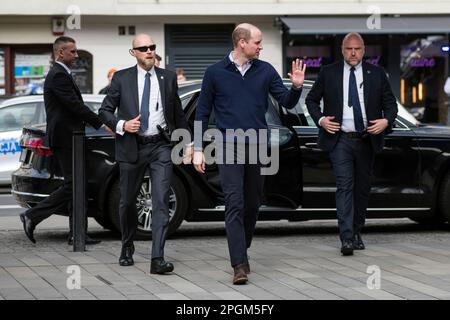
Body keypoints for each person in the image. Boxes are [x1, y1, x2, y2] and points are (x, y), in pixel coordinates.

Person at [193, 23, 305, 285]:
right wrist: (197, 148)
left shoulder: (265, 70)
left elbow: (286, 102)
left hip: (257, 143)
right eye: (257, 42)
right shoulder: (214, 72)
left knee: (253, 202)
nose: (261, 46)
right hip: (227, 144)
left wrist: (297, 87)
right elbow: (202, 112)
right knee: (235, 202)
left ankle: (242, 246)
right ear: (241, 42)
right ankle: (239, 264)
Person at [99, 34, 189, 274]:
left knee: (160, 201)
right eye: (143, 48)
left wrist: (189, 143)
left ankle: (157, 258)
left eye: (152, 47)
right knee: (127, 202)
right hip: (132, 147)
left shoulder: (168, 78)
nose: (149, 51)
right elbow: (104, 111)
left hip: (161, 146)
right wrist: (123, 125)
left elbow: (178, 113)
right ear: (134, 53)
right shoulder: (121, 78)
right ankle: (127, 246)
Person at [305, 33, 398, 256]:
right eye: (349, 49)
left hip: (367, 139)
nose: (353, 53)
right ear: (342, 50)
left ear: (364, 50)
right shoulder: (329, 73)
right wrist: (321, 120)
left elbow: (391, 105)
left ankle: (356, 231)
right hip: (340, 140)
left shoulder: (376, 74)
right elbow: (311, 100)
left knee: (362, 189)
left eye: (357, 49)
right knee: (345, 186)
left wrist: (386, 121)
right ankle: (346, 238)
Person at [19, 36, 107, 245]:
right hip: (66, 138)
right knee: (74, 184)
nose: (76, 55)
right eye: (73, 52)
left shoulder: (62, 74)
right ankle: (32, 215)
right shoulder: (58, 75)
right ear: (60, 53)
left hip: (70, 137)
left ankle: (76, 234)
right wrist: (101, 124)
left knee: (77, 185)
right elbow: (74, 105)